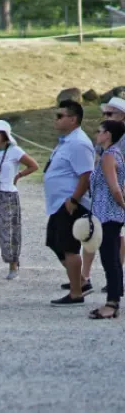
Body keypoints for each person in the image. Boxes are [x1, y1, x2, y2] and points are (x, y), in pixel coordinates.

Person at [44, 100, 95, 305]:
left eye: (60, 116)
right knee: (54, 243)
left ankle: (76, 293)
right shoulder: (67, 141)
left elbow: (86, 175)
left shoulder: (79, 143)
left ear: (73, 119)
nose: (56, 120)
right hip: (58, 204)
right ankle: (81, 282)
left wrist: (74, 199)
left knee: (69, 247)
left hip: (71, 203)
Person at [0, 120, 38, 280]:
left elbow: (33, 165)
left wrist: (18, 176)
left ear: (5, 135)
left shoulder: (15, 151)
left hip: (8, 193)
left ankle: (13, 266)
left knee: (9, 230)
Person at [82, 97, 125, 293]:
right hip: (102, 200)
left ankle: (115, 288)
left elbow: (116, 184)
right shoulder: (105, 145)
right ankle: (86, 275)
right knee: (100, 239)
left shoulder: (115, 147)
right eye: (105, 114)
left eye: (110, 114)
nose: (105, 117)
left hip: (114, 202)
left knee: (113, 245)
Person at [88, 120, 125, 318]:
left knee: (109, 258)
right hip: (108, 213)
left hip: (108, 214)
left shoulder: (109, 156)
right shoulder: (114, 154)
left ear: (108, 134)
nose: (96, 134)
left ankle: (112, 304)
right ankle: (115, 295)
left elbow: (115, 188)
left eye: (99, 131)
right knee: (112, 257)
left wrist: (123, 206)